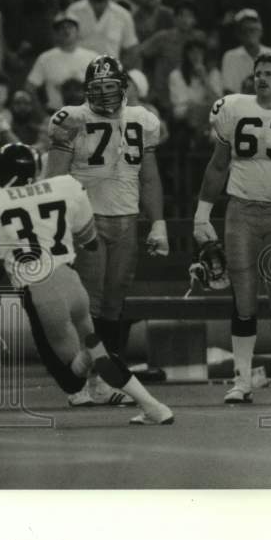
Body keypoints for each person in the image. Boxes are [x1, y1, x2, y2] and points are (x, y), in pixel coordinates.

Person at [0, 143, 174, 425]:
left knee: (72, 381)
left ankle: (149, 403)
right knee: (94, 352)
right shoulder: (64, 187)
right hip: (72, 284)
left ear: (2, 173)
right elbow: (90, 242)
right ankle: (151, 405)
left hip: (40, 292)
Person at [193, 53, 271, 404]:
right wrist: (202, 213)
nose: (261, 79)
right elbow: (218, 166)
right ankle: (242, 379)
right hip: (241, 210)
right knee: (244, 297)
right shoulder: (233, 109)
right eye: (257, 73)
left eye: (268, 73)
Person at [46, 56, 169, 406]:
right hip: (88, 219)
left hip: (126, 219)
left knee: (114, 303)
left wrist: (157, 222)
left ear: (124, 87)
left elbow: (148, 177)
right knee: (89, 305)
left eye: (110, 87)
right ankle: (79, 381)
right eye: (96, 89)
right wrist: (57, 226)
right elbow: (55, 178)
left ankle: (106, 378)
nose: (104, 95)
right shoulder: (71, 119)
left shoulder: (142, 120)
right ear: (86, 92)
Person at [24, 13, 97, 114]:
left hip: (87, 115)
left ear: (77, 32)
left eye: (70, 27)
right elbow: (29, 88)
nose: (66, 31)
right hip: (56, 114)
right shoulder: (45, 58)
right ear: (55, 33)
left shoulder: (92, 57)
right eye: (61, 28)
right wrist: (42, 116)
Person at [65, 0, 137, 60]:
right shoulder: (73, 11)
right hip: (79, 69)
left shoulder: (123, 15)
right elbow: (64, 45)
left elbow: (131, 49)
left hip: (110, 70)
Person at [220, 9, 271, 95]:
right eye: (244, 30)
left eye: (253, 30)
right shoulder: (230, 56)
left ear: (261, 31)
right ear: (238, 34)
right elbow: (228, 92)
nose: (249, 34)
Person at [168, 39, 224, 144]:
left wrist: (204, 79)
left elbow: (219, 102)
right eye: (192, 52)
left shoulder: (214, 73)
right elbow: (180, 105)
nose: (196, 56)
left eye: (199, 52)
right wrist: (201, 106)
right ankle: (201, 139)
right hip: (185, 115)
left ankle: (206, 139)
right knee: (194, 111)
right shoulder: (176, 75)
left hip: (208, 113)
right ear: (186, 55)